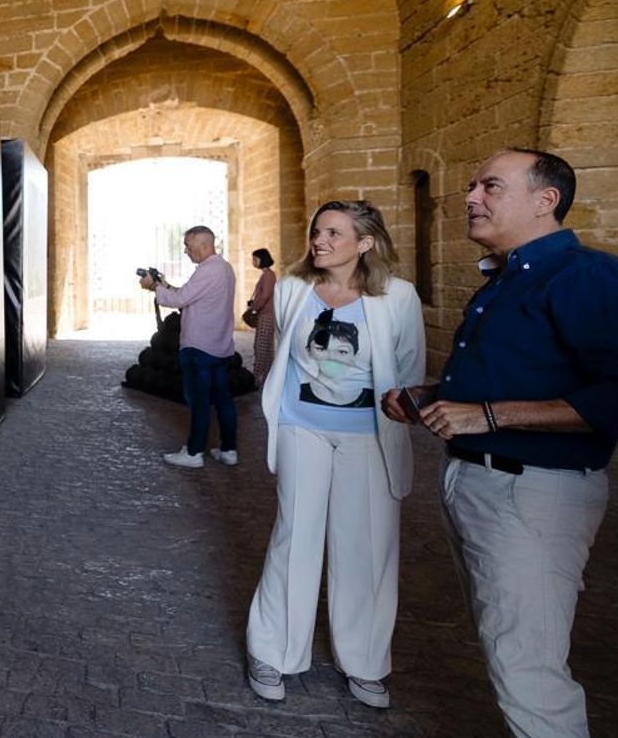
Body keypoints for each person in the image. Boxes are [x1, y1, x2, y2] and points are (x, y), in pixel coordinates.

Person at [382, 148, 618, 738]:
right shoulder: (507, 279)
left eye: (491, 186)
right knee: (506, 646)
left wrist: (486, 415)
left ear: (546, 201)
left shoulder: (590, 276)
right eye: (471, 186)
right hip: (480, 481)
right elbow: (518, 378)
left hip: (534, 493)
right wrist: (434, 397)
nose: (470, 198)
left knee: (528, 669)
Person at [244, 201, 424, 710]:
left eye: (334, 233)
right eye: (317, 231)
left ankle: (365, 662)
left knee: (365, 545)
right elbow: (284, 355)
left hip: (369, 435)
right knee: (294, 535)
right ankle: (273, 650)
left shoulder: (398, 297)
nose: (319, 240)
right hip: (303, 429)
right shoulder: (294, 290)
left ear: (365, 243)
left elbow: (407, 367)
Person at [139, 225, 237, 468]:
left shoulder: (207, 270)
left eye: (188, 245)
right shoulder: (224, 268)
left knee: (199, 402)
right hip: (220, 347)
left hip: (199, 348)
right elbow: (189, 296)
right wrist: (165, 284)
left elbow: (179, 300)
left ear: (203, 244)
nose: (185, 251)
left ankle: (193, 453)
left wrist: (154, 287)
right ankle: (228, 450)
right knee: (224, 400)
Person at [244, 248, 277, 386]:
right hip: (266, 313)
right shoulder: (267, 274)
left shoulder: (268, 275)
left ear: (262, 259)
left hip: (266, 314)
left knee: (261, 347)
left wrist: (253, 308)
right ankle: (267, 376)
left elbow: (265, 295)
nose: (253, 262)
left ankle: (258, 377)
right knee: (266, 347)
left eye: (255, 259)